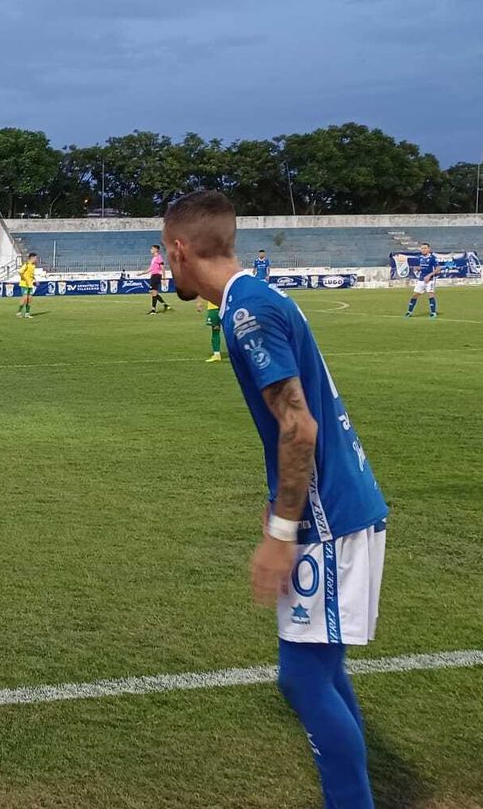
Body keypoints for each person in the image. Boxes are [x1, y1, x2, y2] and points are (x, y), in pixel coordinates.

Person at [163, 190, 387, 809]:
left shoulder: (247, 313)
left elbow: (299, 426)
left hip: (327, 515)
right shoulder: (255, 299)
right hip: (333, 503)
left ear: (179, 250)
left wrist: (282, 532)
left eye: (163, 249)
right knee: (321, 670)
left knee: (303, 678)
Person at [406, 242, 439, 318]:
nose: (423, 250)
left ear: (429, 249)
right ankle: (409, 312)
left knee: (430, 294)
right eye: (422, 248)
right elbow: (421, 267)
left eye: (425, 248)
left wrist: (429, 275)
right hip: (421, 279)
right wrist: (417, 268)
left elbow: (438, 269)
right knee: (415, 295)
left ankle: (433, 312)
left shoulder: (432, 258)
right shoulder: (419, 258)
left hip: (430, 280)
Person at [147, 244, 171, 315]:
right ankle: (165, 305)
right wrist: (142, 273)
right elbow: (151, 268)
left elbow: (163, 268)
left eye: (152, 249)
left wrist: (164, 278)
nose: (150, 250)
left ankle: (153, 310)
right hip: (153, 276)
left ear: (156, 250)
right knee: (153, 292)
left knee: (153, 292)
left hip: (156, 276)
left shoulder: (159, 258)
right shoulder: (154, 258)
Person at [199, 296, 223, 362]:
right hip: (225, 307)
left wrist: (199, 303)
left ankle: (217, 354)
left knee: (215, 331)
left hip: (214, 308)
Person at [16, 253, 38, 319]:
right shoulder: (26, 264)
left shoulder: (33, 265)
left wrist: (35, 280)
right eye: (35, 258)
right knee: (25, 299)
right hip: (24, 284)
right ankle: (19, 312)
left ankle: (27, 313)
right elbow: (20, 272)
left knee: (29, 299)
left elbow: (31, 274)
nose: (36, 259)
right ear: (32, 258)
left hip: (30, 284)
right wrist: (24, 279)